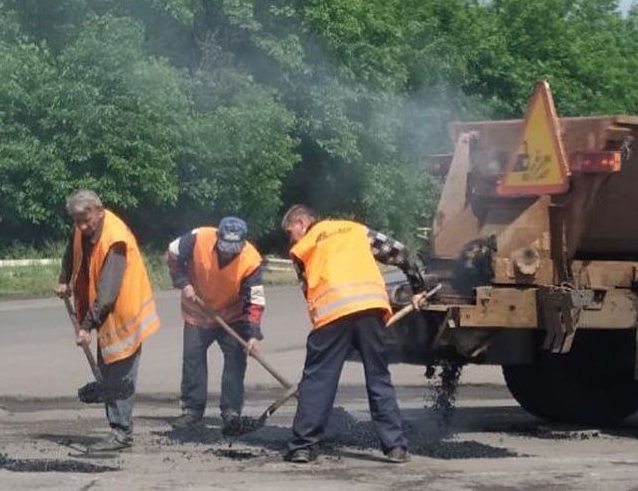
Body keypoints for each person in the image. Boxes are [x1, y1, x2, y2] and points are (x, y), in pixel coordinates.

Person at [280, 204, 425, 464]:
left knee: (318, 380)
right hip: (370, 311)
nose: (291, 238)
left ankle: (303, 446)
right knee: (379, 377)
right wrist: (417, 288)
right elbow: (401, 253)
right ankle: (395, 447)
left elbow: (308, 292)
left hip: (332, 315)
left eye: (291, 231)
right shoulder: (356, 231)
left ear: (302, 222)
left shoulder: (303, 248)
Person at [55, 190, 160, 451]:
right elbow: (72, 251)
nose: (81, 225)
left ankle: (122, 433)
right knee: (107, 369)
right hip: (104, 314)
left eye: (85, 219)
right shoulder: (82, 226)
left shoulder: (116, 240)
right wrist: (63, 279)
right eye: (77, 220)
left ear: (99, 211)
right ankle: (117, 427)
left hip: (124, 313)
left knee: (119, 372)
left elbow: (108, 291)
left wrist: (86, 326)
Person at [166, 217, 265, 429]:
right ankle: (192, 410)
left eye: (233, 249)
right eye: (224, 247)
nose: (228, 253)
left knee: (236, 362)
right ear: (217, 238)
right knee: (193, 359)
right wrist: (182, 282)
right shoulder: (198, 238)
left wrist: (253, 334)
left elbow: (254, 301)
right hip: (198, 311)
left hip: (232, 316)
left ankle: (231, 411)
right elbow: (172, 253)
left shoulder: (251, 260)